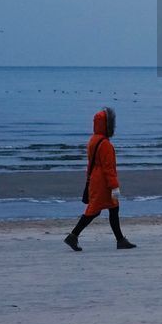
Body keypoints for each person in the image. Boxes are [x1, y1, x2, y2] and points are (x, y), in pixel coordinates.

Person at [65, 106, 136, 251]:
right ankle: (73, 236)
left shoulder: (93, 140)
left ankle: (120, 240)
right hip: (103, 183)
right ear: (108, 125)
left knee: (112, 208)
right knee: (94, 211)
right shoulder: (105, 144)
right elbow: (109, 169)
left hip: (95, 180)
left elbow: (91, 164)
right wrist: (114, 186)